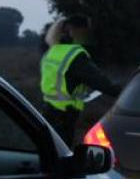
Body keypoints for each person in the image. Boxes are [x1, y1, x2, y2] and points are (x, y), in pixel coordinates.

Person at [40, 14, 122, 145]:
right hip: (64, 115)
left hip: (48, 110)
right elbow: (102, 83)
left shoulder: (52, 51)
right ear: (74, 32)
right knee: (62, 154)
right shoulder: (74, 55)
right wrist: (129, 92)